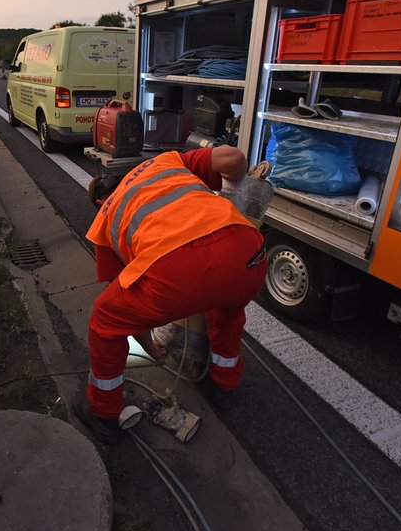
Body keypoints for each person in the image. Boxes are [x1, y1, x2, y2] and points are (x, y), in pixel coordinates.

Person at [74, 145, 267, 443]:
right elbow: (235, 159)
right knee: (228, 311)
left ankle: (103, 412)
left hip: (178, 269)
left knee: (105, 321)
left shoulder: (105, 219)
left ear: (100, 202)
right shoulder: (165, 162)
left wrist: (150, 347)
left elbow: (129, 307)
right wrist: (238, 190)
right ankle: (225, 387)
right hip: (247, 250)